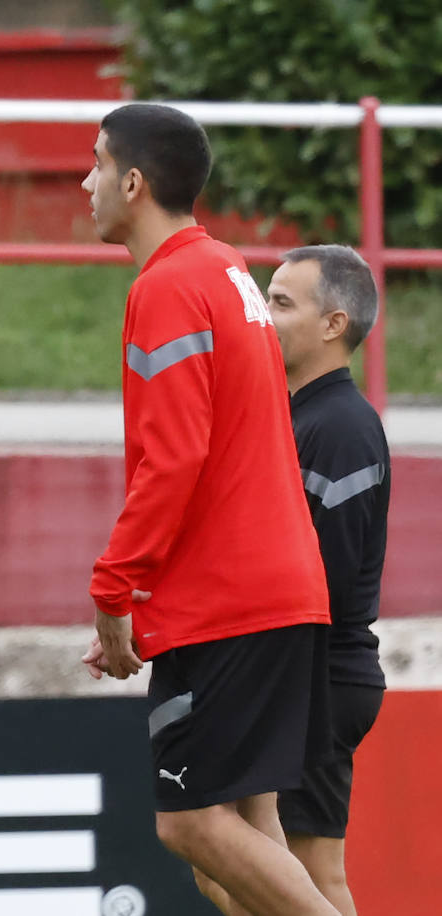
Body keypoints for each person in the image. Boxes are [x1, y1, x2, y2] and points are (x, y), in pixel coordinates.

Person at [78, 103, 339, 916]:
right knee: (235, 858)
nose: (83, 183)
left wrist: (113, 588)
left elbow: (175, 460)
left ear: (132, 181)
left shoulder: (168, 286)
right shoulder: (226, 269)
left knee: (191, 825)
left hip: (231, 605)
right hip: (271, 591)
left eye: (93, 165)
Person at [266, 245, 388, 915]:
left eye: (282, 302)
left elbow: (327, 581)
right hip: (299, 677)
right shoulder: (299, 416)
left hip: (317, 678)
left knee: (309, 878)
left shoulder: (340, 427)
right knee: (237, 870)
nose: (263, 314)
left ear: (333, 324)